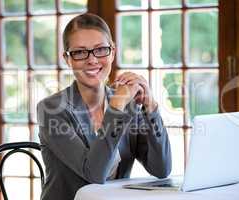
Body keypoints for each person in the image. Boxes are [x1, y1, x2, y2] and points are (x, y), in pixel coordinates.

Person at [37, 13, 171, 200]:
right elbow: (94, 174)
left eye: (100, 49)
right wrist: (115, 109)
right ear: (67, 59)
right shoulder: (51, 109)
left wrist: (151, 106)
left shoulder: (127, 104)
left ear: (113, 52)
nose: (92, 60)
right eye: (80, 52)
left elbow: (161, 168)